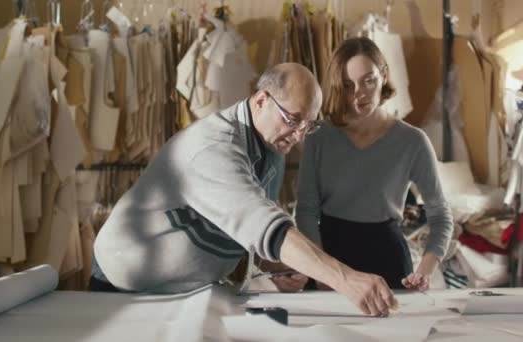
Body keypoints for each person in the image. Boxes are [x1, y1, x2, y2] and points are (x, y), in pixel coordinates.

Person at [91, 62, 397, 316]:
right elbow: (263, 224)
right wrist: (346, 279)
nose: (299, 136)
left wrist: (275, 265)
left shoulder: (272, 149)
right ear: (262, 100)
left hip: (181, 293)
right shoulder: (213, 148)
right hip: (124, 288)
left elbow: (243, 230)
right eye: (293, 120)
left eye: (308, 126)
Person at [296, 37, 454, 291]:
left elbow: (441, 216)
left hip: (388, 259)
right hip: (330, 259)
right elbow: (305, 212)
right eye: (348, 85)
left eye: (368, 80)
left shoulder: (413, 141)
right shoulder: (319, 137)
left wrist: (425, 271)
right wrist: (323, 272)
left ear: (383, 75)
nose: (360, 93)